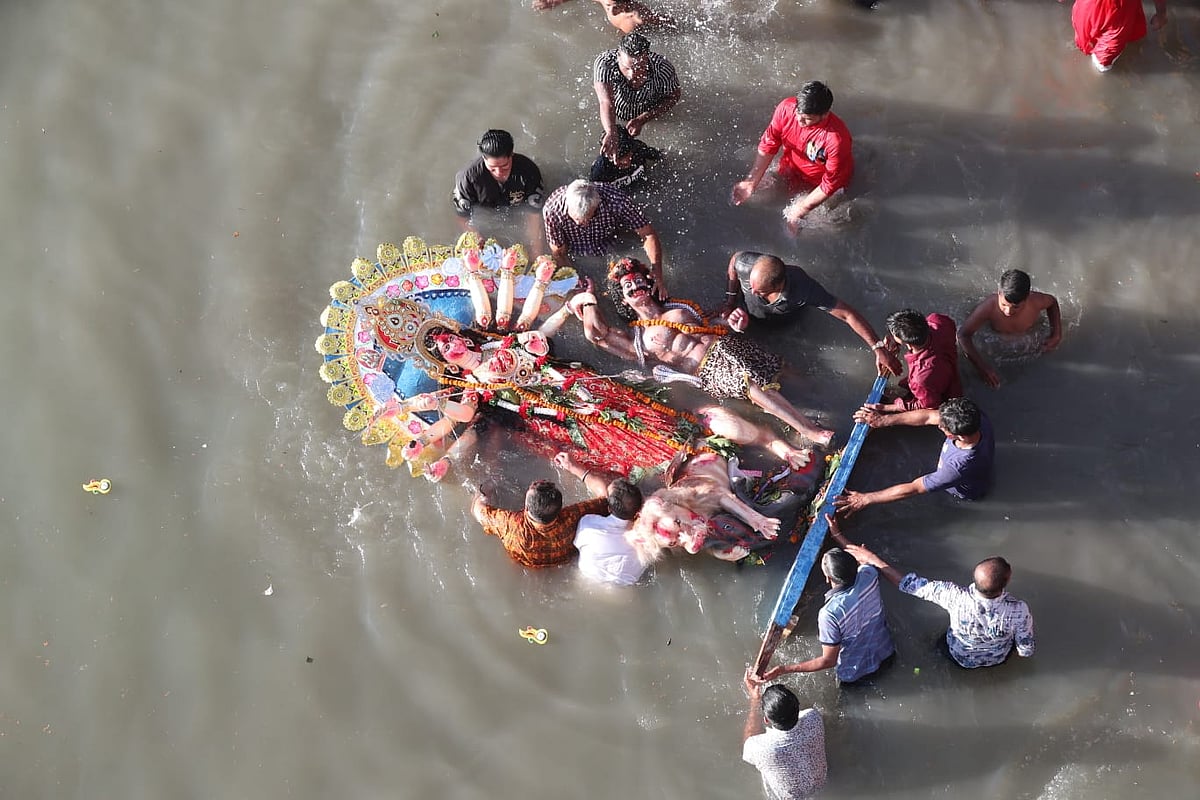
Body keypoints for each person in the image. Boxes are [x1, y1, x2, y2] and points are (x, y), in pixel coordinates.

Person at [578, 257, 835, 446]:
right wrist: (588, 299)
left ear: (648, 283)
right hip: (707, 369)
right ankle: (808, 429)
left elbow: (712, 324)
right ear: (623, 299)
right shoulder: (637, 340)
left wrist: (735, 322)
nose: (635, 287)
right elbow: (596, 334)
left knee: (784, 371)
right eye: (627, 287)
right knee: (752, 385)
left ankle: (829, 399)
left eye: (637, 281)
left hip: (728, 345)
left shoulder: (678, 308)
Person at [834, 539, 1035, 669]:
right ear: (1006, 582)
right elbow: (1026, 651)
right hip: (996, 661)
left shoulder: (954, 596)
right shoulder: (1019, 611)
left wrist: (872, 559)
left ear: (974, 578)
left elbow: (908, 584)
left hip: (959, 657)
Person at [757, 515, 895, 684]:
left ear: (828, 578)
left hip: (856, 674)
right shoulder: (869, 575)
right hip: (887, 653)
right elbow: (863, 557)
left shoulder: (830, 614)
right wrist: (837, 535)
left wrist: (784, 669)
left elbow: (828, 661)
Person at [721, 250, 903, 377]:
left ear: (778, 286)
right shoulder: (747, 264)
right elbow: (734, 260)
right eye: (750, 285)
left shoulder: (803, 290)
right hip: (742, 315)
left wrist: (878, 348)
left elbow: (847, 314)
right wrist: (730, 301)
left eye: (759, 291)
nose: (752, 292)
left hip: (782, 323)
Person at [834, 397, 995, 516]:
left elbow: (914, 488)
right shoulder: (973, 418)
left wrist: (866, 498)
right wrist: (884, 420)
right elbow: (928, 417)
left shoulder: (957, 468)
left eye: (942, 427)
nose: (938, 425)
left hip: (961, 491)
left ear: (954, 435)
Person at [731, 81, 854, 234]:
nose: (799, 120)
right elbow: (770, 142)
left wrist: (801, 209)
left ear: (825, 114)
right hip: (790, 169)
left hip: (820, 187)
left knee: (806, 229)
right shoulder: (786, 108)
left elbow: (830, 184)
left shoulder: (836, 139)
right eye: (798, 113)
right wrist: (751, 181)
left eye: (807, 118)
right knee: (753, 197)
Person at [542, 179, 667, 297]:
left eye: (589, 218)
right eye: (578, 220)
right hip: (575, 248)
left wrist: (657, 272)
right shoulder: (552, 210)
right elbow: (559, 253)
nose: (584, 224)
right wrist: (576, 282)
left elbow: (647, 234)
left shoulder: (616, 200)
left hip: (610, 239)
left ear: (597, 205)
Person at [958, 269, 1063, 388]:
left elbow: (1052, 303)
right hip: (998, 348)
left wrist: (1056, 334)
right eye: (1004, 305)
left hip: (1028, 345)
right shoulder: (989, 307)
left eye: (1016, 307)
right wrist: (982, 367)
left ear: (1027, 298)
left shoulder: (1036, 301)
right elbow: (963, 335)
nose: (1008, 311)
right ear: (999, 293)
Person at [472, 477, 609, 568]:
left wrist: (486, 489)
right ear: (560, 509)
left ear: (525, 508)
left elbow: (477, 509)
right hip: (561, 561)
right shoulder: (572, 517)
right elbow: (605, 498)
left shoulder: (511, 524)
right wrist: (575, 467)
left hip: (521, 563)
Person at [558, 453, 649, 586]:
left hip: (586, 581)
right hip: (627, 587)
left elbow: (601, 493)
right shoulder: (647, 536)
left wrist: (572, 466)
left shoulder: (589, 524)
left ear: (609, 509)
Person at [742, 670, 828, 800]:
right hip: (821, 784)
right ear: (798, 708)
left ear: (766, 720)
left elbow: (748, 741)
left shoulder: (762, 749)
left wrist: (755, 701)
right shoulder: (813, 717)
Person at [452, 129, 545, 250]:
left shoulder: (529, 171)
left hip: (516, 207)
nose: (499, 172)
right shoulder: (467, 178)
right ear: (484, 158)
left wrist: (536, 247)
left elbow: (533, 214)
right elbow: (462, 217)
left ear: (511, 154)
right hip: (487, 209)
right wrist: (477, 238)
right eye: (492, 168)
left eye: (504, 166)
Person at [593, 33, 681, 157]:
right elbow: (606, 102)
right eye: (627, 68)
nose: (632, 74)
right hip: (618, 111)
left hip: (649, 108)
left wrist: (643, 118)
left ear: (647, 57)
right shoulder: (605, 63)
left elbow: (674, 96)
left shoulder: (662, 68)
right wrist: (611, 132)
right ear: (618, 56)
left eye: (640, 67)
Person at [882, 309, 963, 411]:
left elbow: (930, 405)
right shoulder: (939, 320)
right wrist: (896, 340)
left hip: (946, 396)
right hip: (950, 372)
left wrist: (893, 406)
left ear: (909, 345)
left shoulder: (919, 378)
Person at [1068, 0, 1168, 73]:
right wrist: (1161, 15)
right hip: (1116, 16)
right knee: (1102, 62)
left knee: (1088, 40)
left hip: (1089, 8)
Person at [534, 0, 677, 35]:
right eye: (609, 4)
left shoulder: (637, 17)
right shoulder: (608, 2)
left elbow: (670, 22)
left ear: (626, 6)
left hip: (638, 30)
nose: (611, 9)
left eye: (615, 6)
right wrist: (554, 2)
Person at [589, 126, 662, 189]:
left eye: (627, 155)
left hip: (643, 183)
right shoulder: (600, 171)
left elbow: (659, 156)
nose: (626, 162)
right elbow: (596, 195)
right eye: (618, 160)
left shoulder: (639, 149)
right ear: (609, 156)